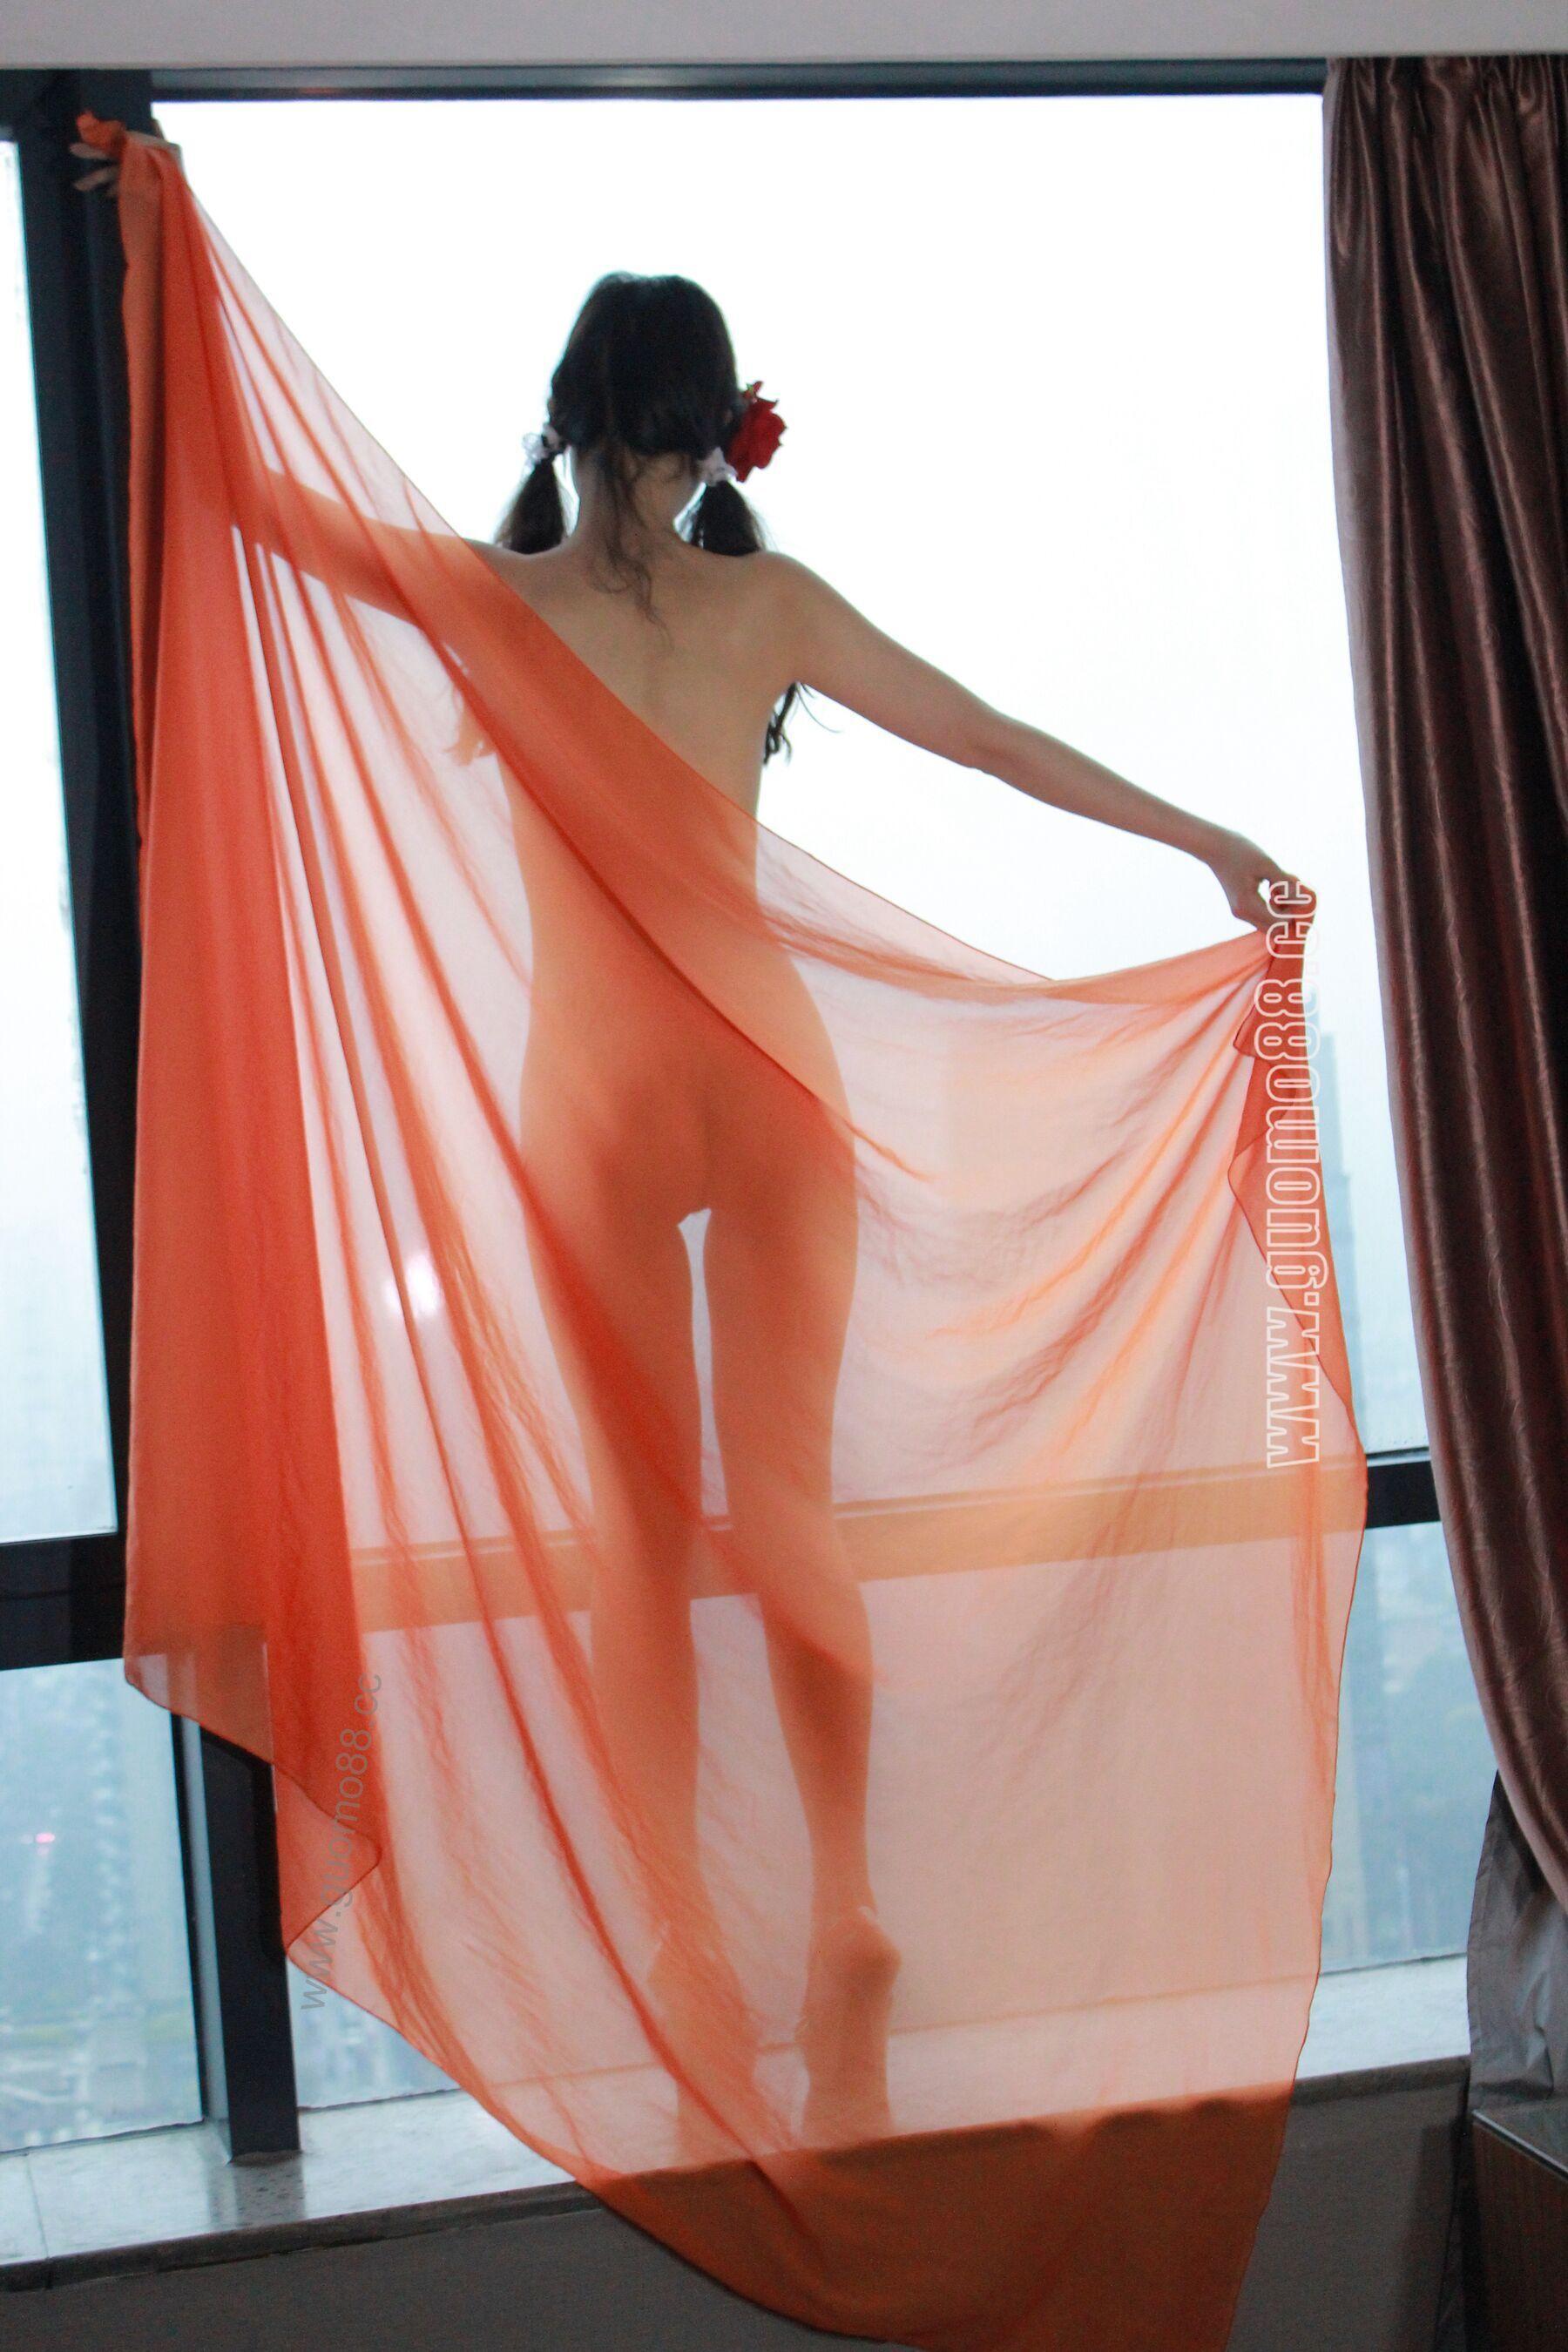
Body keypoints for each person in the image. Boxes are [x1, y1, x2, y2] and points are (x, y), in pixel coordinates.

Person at [74, 138, 1301, 2156]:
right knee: (790, 1515)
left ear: (567, 422)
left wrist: (146, 250)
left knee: (644, 1548)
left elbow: (253, 500)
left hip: (605, 1097)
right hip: (768, 1072)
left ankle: (677, 1933)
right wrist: (1208, 842)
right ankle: (848, 1907)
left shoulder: (496, 601)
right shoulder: (768, 608)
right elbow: (992, 735)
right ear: (719, 437)